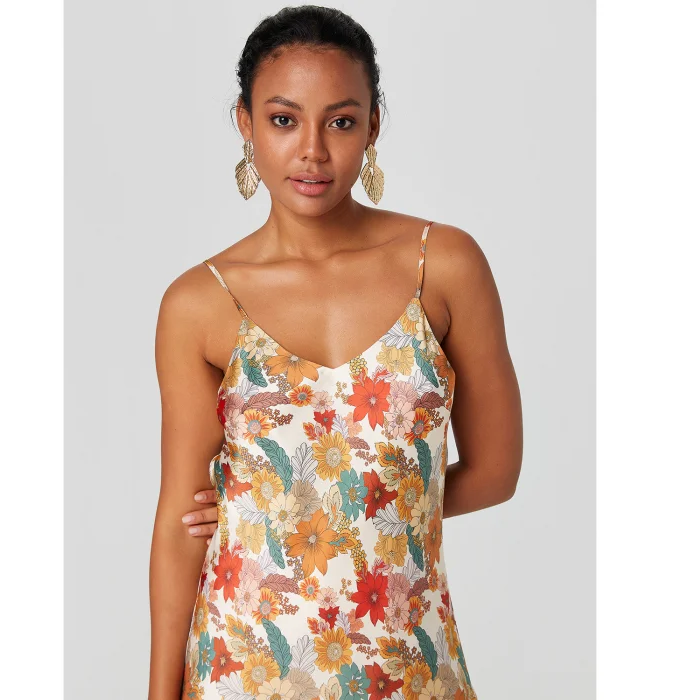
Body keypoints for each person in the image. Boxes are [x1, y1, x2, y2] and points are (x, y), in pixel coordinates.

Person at [150, 6, 522, 700]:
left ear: (373, 125)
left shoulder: (443, 266)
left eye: (341, 122)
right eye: (283, 120)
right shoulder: (199, 303)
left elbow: (497, 472)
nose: (313, 152)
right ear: (245, 124)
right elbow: (180, 522)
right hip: (239, 668)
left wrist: (342, 516)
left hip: (408, 669)